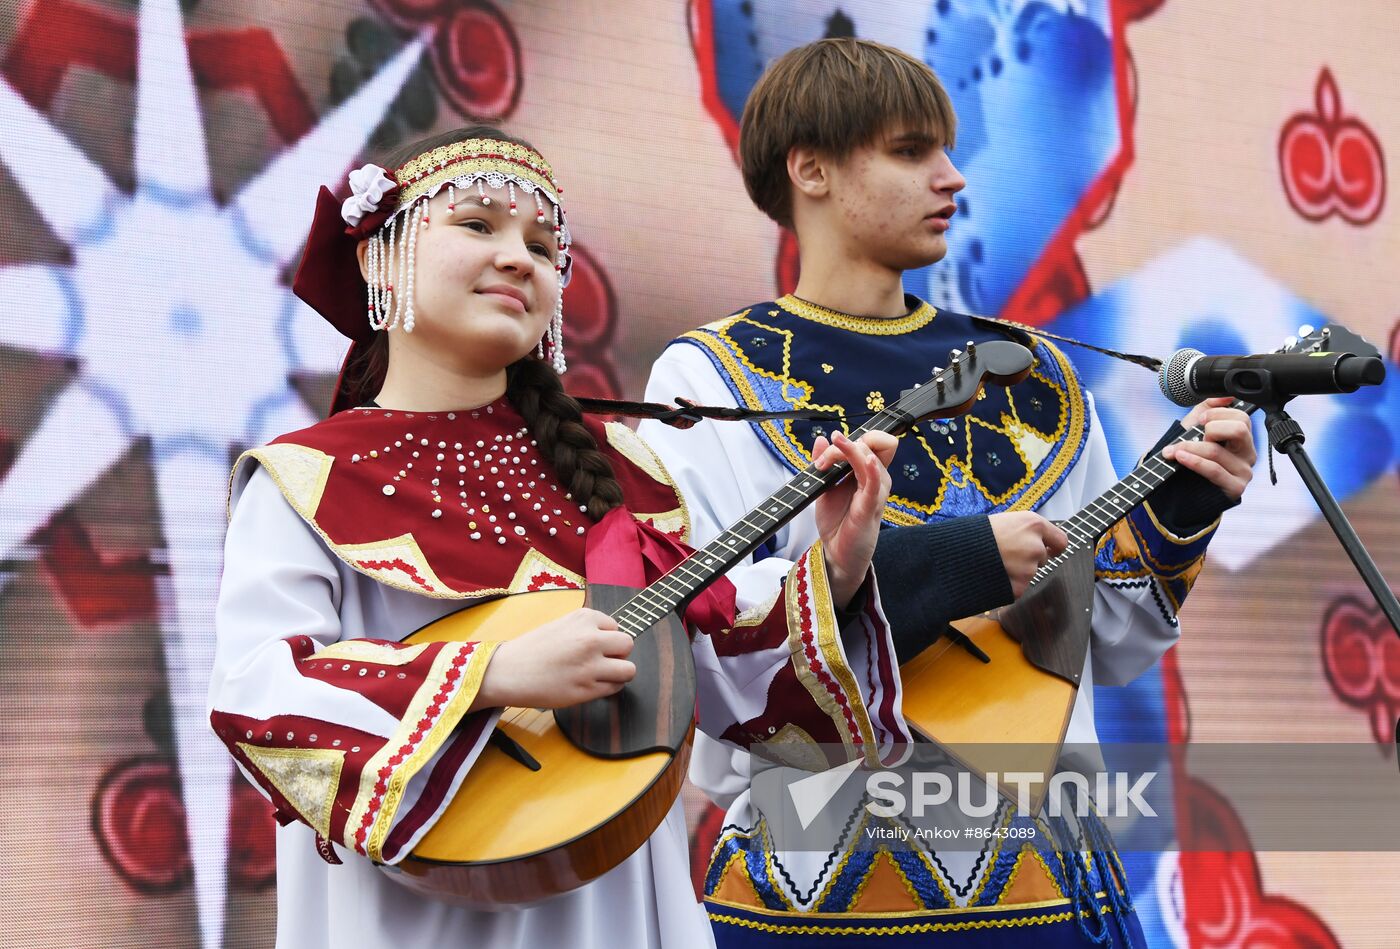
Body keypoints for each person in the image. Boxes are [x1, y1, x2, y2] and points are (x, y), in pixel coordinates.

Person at [207, 125, 910, 948]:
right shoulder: (306, 476)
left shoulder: (622, 475)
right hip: (411, 917)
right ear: (375, 258)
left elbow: (719, 673)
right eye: (478, 225)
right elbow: (260, 694)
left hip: (616, 905)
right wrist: (492, 673)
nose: (519, 259)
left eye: (544, 247)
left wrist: (834, 566)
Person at [639, 39, 1256, 947]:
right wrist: (956, 560)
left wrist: (1182, 507)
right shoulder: (708, 375)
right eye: (909, 150)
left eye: (948, 149)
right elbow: (705, 636)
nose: (954, 178)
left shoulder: (1038, 374)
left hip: (1046, 885)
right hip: (812, 892)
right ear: (808, 168)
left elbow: (1107, 646)